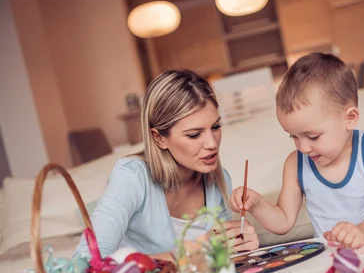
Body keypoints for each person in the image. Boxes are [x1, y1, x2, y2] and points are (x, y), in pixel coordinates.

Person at [73, 70, 259, 261]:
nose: (212, 143)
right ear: (159, 138)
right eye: (194, 134)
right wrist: (198, 249)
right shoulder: (132, 176)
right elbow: (87, 260)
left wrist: (240, 246)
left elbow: (219, 262)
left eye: (216, 127)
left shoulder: (219, 180)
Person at [230, 53, 364, 249]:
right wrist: (256, 203)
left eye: (313, 137)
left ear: (350, 118)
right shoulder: (295, 164)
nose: (302, 148)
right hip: (331, 257)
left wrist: (362, 232)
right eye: (293, 136)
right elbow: (283, 221)